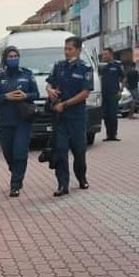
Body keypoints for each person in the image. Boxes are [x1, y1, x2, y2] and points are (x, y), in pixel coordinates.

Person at [0, 46, 38, 197]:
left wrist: (25, 95)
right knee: (8, 153)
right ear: (5, 59)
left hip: (23, 120)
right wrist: (6, 96)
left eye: (15, 56)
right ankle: (16, 171)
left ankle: (15, 184)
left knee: (20, 152)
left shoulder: (27, 74)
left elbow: (36, 94)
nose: (13, 59)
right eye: (10, 57)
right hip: (5, 121)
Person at [46, 37, 92, 196]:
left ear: (78, 50)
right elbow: (49, 83)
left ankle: (81, 177)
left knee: (79, 152)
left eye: (70, 49)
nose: (66, 52)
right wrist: (49, 90)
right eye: (65, 49)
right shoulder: (58, 67)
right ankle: (62, 184)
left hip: (77, 118)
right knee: (60, 151)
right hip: (60, 119)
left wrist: (65, 104)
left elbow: (85, 93)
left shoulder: (85, 69)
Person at [98, 47, 125, 141]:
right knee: (105, 115)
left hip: (114, 94)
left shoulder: (117, 65)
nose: (104, 56)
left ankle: (113, 135)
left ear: (111, 55)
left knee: (113, 115)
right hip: (104, 94)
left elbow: (124, 77)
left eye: (106, 54)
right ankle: (108, 135)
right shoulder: (101, 66)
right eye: (103, 54)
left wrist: (121, 90)